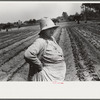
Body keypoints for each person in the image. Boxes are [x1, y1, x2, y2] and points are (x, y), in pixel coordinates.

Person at [24, 17, 66, 81]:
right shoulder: (41, 41)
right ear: (44, 30)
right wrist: (39, 66)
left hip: (57, 75)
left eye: (53, 28)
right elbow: (28, 54)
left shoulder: (51, 39)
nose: (52, 30)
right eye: (49, 29)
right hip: (48, 77)